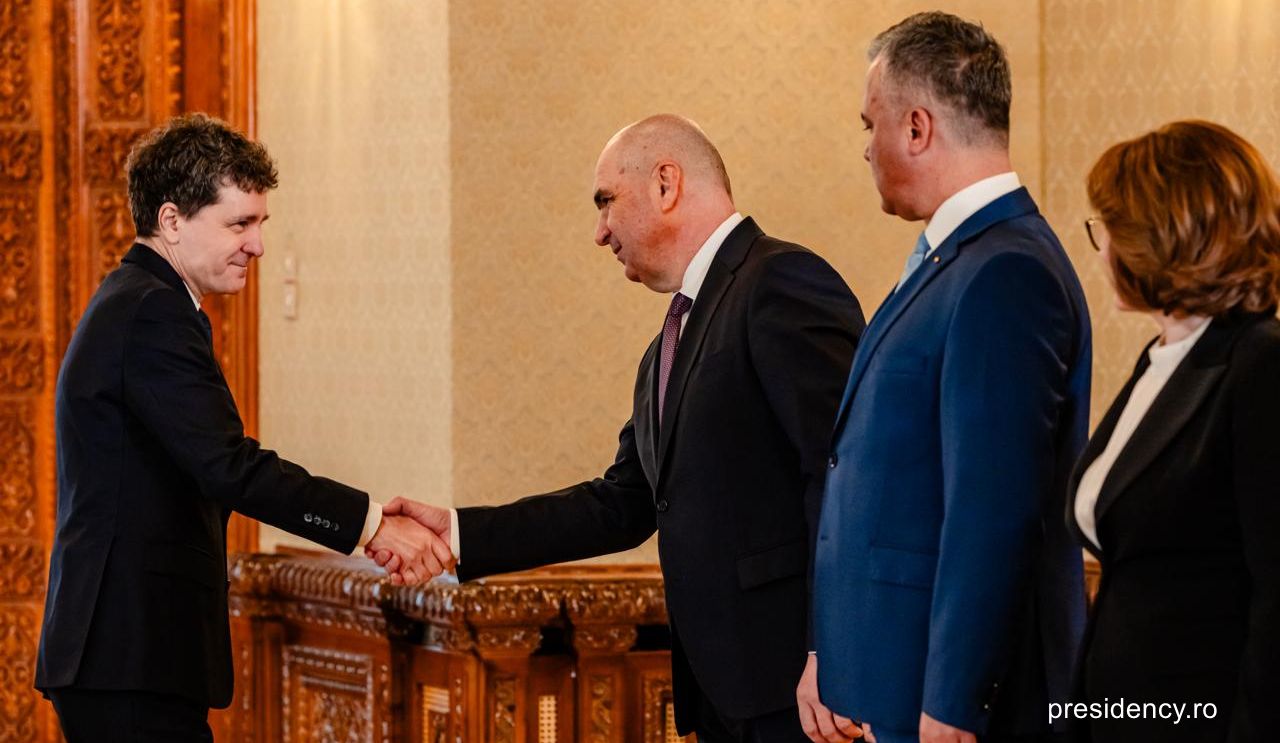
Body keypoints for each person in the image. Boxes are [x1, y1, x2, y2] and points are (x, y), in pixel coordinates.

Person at [374, 114, 865, 742]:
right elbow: (622, 504)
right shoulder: (666, 347)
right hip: (724, 695)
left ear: (666, 183)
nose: (600, 231)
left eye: (606, 201)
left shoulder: (780, 281)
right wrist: (460, 532)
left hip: (802, 690)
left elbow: (847, 473)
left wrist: (835, 650)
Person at [34, 113, 451, 742]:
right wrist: (371, 525)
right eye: (239, 224)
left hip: (128, 654)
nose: (257, 245)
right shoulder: (151, 312)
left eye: (260, 223)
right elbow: (229, 467)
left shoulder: (141, 301)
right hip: (128, 653)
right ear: (172, 220)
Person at [807, 13, 1091, 743]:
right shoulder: (957, 260)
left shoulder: (1007, 271)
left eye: (869, 123)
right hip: (889, 679)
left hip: (946, 704)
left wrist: (955, 701)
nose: (864, 146)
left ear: (916, 127)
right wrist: (829, 652)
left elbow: (992, 509)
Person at [1069, 120, 1280, 742]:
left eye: (1111, 228)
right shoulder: (1163, 357)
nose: (1102, 249)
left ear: (1165, 236)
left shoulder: (1261, 362)